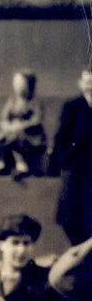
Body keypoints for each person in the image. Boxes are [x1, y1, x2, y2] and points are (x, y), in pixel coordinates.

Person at [50, 69, 92, 246]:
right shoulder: (72, 106)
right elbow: (62, 137)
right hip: (76, 169)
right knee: (71, 215)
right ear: (81, 84)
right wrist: (66, 161)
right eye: (87, 81)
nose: (90, 85)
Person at [0, 70, 46, 179]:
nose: (17, 85)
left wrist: (20, 126)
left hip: (31, 136)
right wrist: (8, 126)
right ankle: (6, 162)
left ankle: (19, 163)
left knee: (16, 137)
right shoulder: (12, 100)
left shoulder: (35, 102)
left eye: (20, 82)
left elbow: (36, 120)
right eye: (15, 82)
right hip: (11, 133)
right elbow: (4, 117)